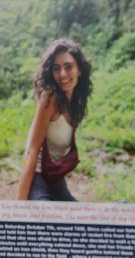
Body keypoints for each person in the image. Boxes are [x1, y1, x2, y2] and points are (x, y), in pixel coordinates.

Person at [17, 38, 92, 201]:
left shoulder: (75, 103)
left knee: (87, 220)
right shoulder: (50, 98)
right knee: (49, 222)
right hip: (38, 179)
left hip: (56, 180)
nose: (62, 74)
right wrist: (19, 207)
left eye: (68, 67)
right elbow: (31, 150)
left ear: (79, 70)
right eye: (56, 68)